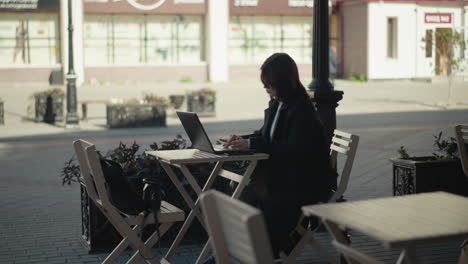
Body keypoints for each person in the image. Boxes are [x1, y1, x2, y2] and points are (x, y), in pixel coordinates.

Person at [221, 53, 335, 257]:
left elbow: (293, 149)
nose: (267, 90)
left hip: (303, 183)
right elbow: (265, 135)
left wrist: (251, 143)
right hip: (282, 178)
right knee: (242, 196)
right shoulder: (278, 104)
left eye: (270, 85)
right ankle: (235, 251)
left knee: (256, 199)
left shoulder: (301, 109)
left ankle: (257, 252)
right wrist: (242, 140)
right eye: (265, 86)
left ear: (283, 83)